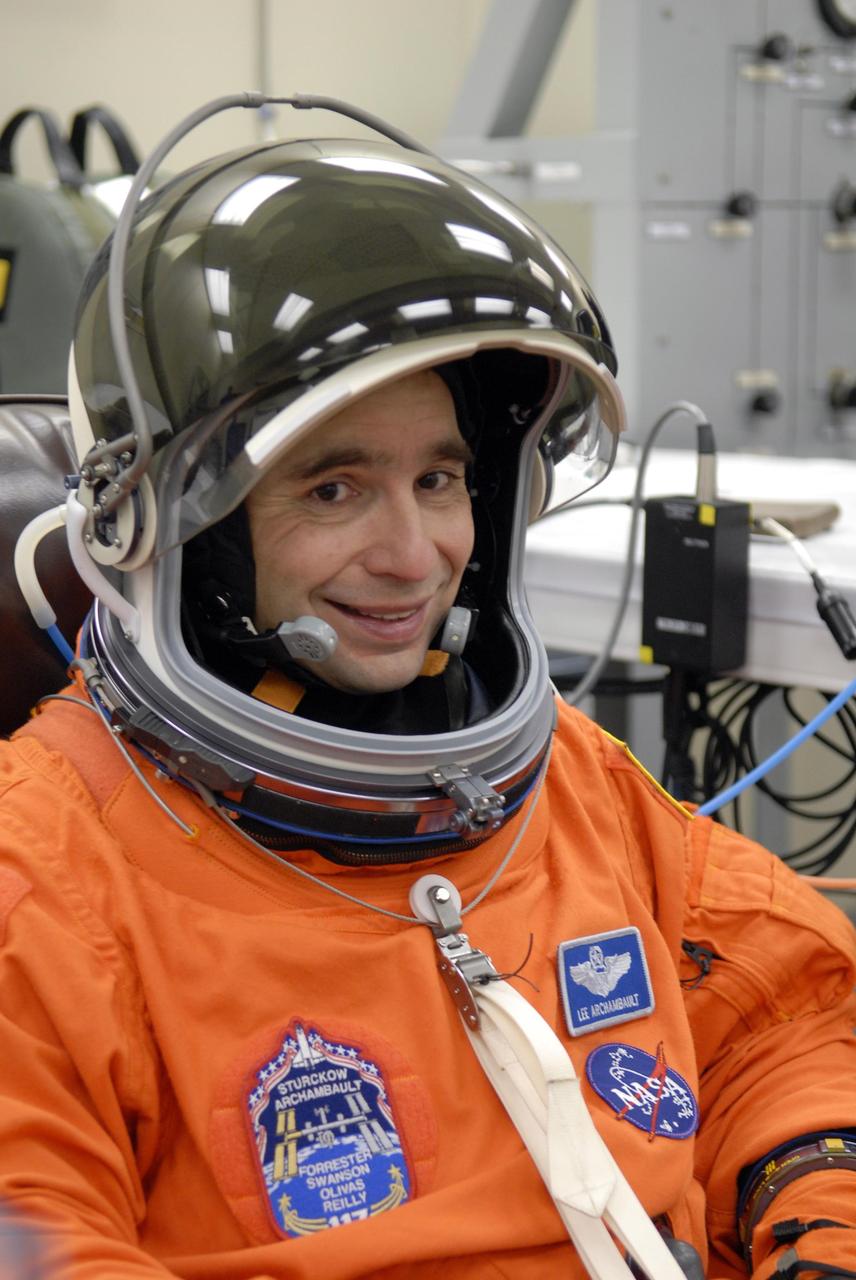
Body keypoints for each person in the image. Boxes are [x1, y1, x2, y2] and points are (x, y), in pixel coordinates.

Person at [1, 117, 855, 1280]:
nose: (416, 554)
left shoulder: (575, 784)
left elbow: (786, 1011)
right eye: (334, 486)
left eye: (440, 477)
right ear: (180, 528)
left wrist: (819, 1222)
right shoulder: (45, 874)